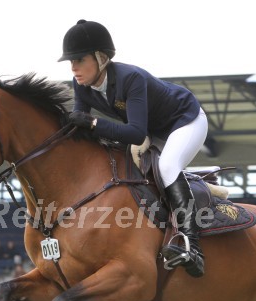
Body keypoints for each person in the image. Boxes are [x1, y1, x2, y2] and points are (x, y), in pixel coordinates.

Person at [58, 19, 208, 277]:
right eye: (70, 61)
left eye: (79, 59)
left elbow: (135, 133)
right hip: (154, 130)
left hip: (185, 120)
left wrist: (93, 122)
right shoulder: (81, 84)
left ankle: (191, 246)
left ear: (101, 58)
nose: (73, 67)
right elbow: (80, 125)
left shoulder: (131, 78)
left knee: (168, 165)